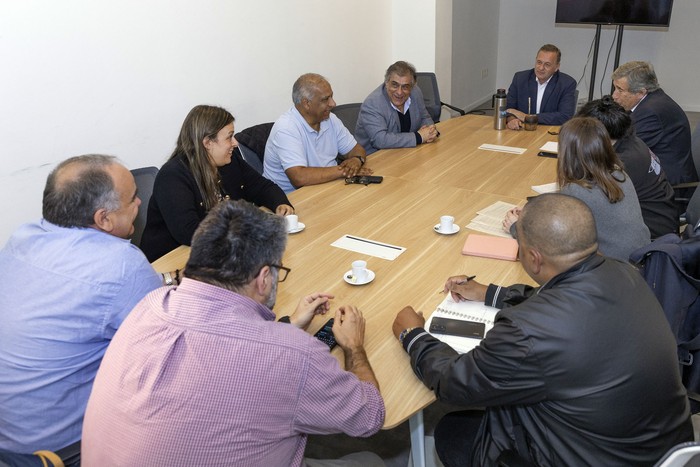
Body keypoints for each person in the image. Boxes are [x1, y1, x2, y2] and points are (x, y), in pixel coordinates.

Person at [393, 193, 692, 466]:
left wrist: (414, 335)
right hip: (658, 448)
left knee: (453, 431)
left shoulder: (525, 332)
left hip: (593, 456)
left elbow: (454, 382)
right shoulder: (625, 272)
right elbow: (555, 298)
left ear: (534, 258)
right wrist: (489, 293)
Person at [82, 200, 386, 466]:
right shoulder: (292, 354)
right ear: (264, 278)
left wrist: (289, 326)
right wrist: (354, 347)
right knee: (371, 460)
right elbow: (369, 416)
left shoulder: (149, 305)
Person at [0, 155, 163, 466]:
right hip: (64, 450)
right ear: (103, 219)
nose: (140, 201)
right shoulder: (120, 263)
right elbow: (170, 349)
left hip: (11, 438)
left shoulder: (24, 236)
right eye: (132, 198)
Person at [140, 105, 294, 262]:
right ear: (207, 142)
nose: (235, 143)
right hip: (171, 262)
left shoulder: (230, 161)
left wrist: (280, 204)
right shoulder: (173, 176)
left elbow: (262, 187)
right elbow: (190, 232)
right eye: (229, 137)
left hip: (217, 253)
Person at [504, 117, 650, 261]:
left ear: (566, 153)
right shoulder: (618, 173)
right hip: (640, 262)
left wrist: (516, 227)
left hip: (611, 272)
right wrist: (534, 212)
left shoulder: (577, 191)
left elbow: (553, 244)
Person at [577, 96, 678, 238]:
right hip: (662, 215)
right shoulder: (630, 141)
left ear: (598, 134)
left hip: (650, 229)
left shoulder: (621, 163)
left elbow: (592, 199)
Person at [263, 73, 373, 193]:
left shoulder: (330, 119)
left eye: (331, 96)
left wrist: (357, 160)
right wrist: (344, 170)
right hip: (290, 200)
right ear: (306, 103)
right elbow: (299, 177)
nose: (333, 103)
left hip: (327, 185)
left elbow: (356, 149)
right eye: (325, 99)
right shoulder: (286, 128)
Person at [612, 61, 697, 188]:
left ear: (641, 92)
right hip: (654, 174)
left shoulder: (651, 112)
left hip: (669, 187)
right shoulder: (651, 100)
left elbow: (625, 150)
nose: (614, 96)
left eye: (620, 89)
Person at [355, 60, 438, 155]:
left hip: (405, 152)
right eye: (395, 85)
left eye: (405, 87)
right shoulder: (372, 104)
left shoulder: (415, 93)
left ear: (411, 87)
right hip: (376, 158)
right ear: (386, 83)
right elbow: (380, 140)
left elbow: (424, 116)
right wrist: (419, 137)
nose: (399, 92)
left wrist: (431, 130)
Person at [505, 44, 577, 129]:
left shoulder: (567, 84)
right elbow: (506, 109)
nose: (541, 68)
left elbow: (565, 116)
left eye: (547, 64)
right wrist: (511, 119)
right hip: (522, 130)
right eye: (539, 62)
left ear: (557, 67)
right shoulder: (520, 79)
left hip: (549, 131)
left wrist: (527, 117)